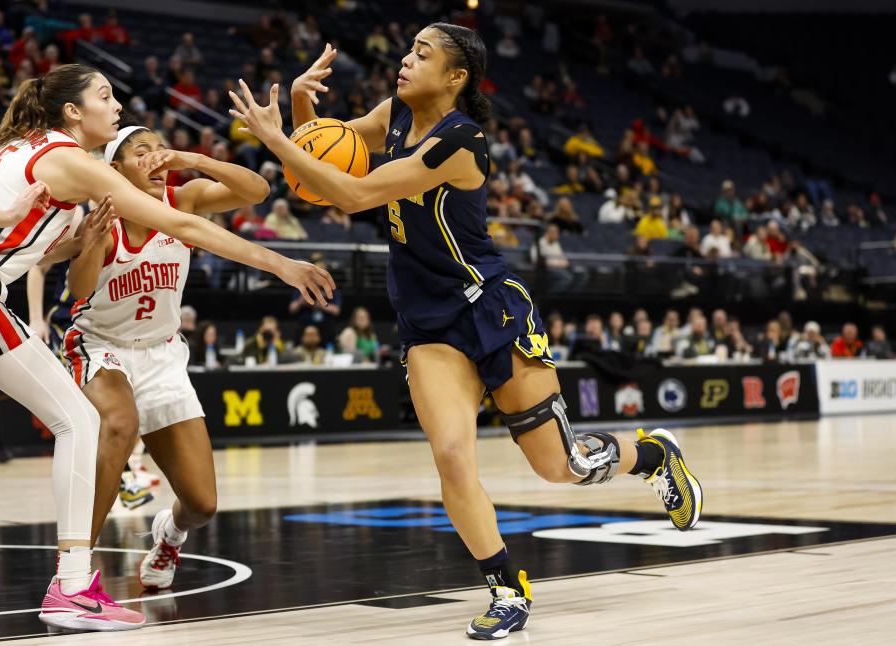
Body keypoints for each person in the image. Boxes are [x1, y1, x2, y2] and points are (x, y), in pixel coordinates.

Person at [235, 31, 701, 640]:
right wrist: (300, 109)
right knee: (452, 456)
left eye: (423, 53)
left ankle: (653, 454)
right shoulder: (395, 114)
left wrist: (275, 139)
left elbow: (353, 194)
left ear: (456, 77)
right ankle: (507, 588)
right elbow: (324, 164)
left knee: (561, 468)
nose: (406, 58)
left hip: (490, 309)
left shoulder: (461, 142)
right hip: (426, 322)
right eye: (408, 49)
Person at [0, 63, 332, 632]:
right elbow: (188, 229)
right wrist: (280, 262)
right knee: (82, 423)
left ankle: (79, 578)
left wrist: (62, 242)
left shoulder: (26, 147)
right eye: (105, 96)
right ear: (72, 112)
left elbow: (24, 243)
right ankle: (73, 585)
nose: (117, 106)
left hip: (12, 304)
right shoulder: (70, 161)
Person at [56, 115, 284, 594]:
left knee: (202, 505)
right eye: (141, 151)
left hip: (162, 354)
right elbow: (77, 292)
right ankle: (75, 574)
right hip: (101, 345)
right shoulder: (97, 212)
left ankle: (168, 535)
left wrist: (193, 158)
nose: (154, 157)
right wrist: (92, 245)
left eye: (159, 148)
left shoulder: (183, 200)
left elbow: (258, 191)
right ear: (113, 167)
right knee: (119, 425)